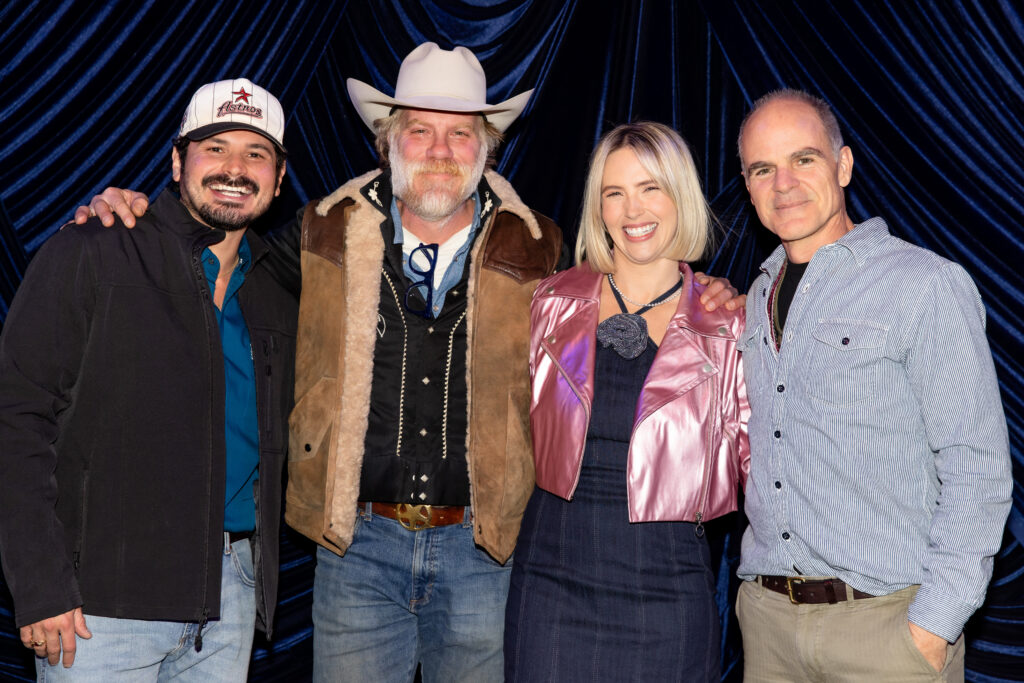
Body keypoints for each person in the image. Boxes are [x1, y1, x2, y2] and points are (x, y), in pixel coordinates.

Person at [73, 44, 742, 682]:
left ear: (486, 146)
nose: (441, 152)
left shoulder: (539, 246)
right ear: (388, 140)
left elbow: (626, 307)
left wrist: (703, 293)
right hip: (357, 550)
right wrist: (140, 216)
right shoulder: (322, 230)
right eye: (421, 132)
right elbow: (223, 265)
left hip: (485, 551)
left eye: (460, 135)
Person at [0, 78, 297, 681]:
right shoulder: (94, 251)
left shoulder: (277, 288)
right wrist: (39, 581)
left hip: (230, 598)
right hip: (101, 603)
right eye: (215, 147)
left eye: (256, 153)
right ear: (176, 159)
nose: (234, 168)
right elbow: (17, 418)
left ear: (280, 176)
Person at [734, 89, 1012, 682]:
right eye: (763, 169)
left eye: (803, 159)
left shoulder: (926, 285)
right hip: (767, 629)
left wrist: (931, 628)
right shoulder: (755, 298)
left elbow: (977, 466)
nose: (783, 183)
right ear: (748, 184)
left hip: (886, 632)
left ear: (843, 165)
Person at [505, 122, 749, 681]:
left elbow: (761, 468)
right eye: (614, 192)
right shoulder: (551, 301)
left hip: (668, 585)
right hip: (550, 578)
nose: (631, 209)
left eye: (650, 188)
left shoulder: (728, 324)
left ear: (680, 196)